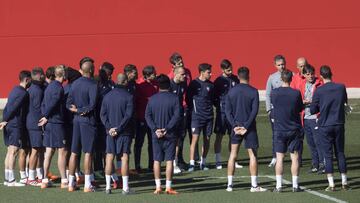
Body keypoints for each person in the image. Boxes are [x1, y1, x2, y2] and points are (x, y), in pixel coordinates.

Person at [225, 67, 267, 192]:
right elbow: (254, 111)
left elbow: (227, 111)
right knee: (253, 155)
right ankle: (254, 185)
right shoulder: (253, 91)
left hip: (236, 127)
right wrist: (246, 126)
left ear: (238, 76)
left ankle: (230, 185)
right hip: (250, 128)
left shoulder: (231, 92)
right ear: (249, 76)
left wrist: (235, 126)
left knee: (233, 155)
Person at [310, 65, 350, 191]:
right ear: (331, 74)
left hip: (325, 125)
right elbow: (345, 101)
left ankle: (331, 184)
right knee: (340, 153)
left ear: (321, 76)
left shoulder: (319, 90)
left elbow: (312, 109)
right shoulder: (341, 87)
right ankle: (344, 182)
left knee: (327, 155)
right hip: (338, 124)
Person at [66, 57, 98, 192]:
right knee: (88, 153)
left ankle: (71, 183)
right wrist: (80, 110)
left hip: (76, 121)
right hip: (87, 121)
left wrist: (75, 110)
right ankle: (87, 184)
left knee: (74, 152)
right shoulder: (93, 85)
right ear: (91, 70)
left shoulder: (75, 84)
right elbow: (92, 105)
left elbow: (68, 103)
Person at [145, 74, 181, 195]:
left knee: (157, 160)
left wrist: (156, 129)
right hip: (170, 134)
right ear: (169, 85)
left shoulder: (152, 99)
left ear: (158, 86)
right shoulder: (175, 98)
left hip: (156, 135)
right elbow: (177, 116)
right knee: (169, 160)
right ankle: (168, 187)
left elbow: (147, 116)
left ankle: (158, 187)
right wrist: (167, 129)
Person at [101, 73, 134, 195]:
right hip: (123, 132)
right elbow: (128, 115)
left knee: (109, 157)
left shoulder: (107, 96)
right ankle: (125, 188)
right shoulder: (128, 96)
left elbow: (102, 115)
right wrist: (118, 129)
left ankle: (108, 187)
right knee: (124, 157)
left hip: (110, 133)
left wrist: (110, 128)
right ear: (125, 82)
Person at [271, 70, 304, 193]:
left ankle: (279, 186)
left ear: (281, 78)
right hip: (293, 129)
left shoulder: (274, 93)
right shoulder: (295, 93)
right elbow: (300, 108)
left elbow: (275, 105)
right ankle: (295, 185)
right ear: (291, 79)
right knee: (294, 158)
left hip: (279, 129)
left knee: (279, 158)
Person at [38, 65, 68, 189]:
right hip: (56, 123)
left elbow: (44, 104)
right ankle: (64, 180)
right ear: (63, 74)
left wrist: (45, 116)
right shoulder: (58, 88)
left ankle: (44, 179)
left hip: (50, 123)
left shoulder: (49, 87)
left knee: (49, 151)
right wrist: (46, 115)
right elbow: (53, 103)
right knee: (62, 151)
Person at [1, 70, 31, 187]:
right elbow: (13, 108)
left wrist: (5, 120)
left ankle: (7, 179)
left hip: (9, 124)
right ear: (27, 80)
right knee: (13, 152)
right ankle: (12, 180)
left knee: (9, 152)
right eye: (30, 81)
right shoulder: (23, 93)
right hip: (14, 125)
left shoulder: (14, 89)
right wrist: (5, 120)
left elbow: (8, 106)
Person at [168, 52, 199, 163]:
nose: (182, 63)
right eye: (179, 62)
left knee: (192, 132)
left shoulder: (187, 72)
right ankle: (178, 159)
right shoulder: (171, 77)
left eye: (182, 61)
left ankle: (194, 158)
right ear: (173, 65)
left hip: (188, 105)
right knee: (180, 135)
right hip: (180, 108)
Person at [187, 63, 214, 171]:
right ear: (202, 72)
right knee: (195, 139)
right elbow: (188, 99)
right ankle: (192, 163)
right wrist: (194, 111)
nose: (211, 74)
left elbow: (212, 99)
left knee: (207, 139)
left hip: (209, 117)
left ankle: (203, 162)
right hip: (197, 117)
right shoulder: (194, 84)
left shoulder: (211, 85)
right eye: (208, 72)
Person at [213, 59, 239, 169]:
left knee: (233, 136)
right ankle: (218, 161)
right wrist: (219, 107)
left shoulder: (235, 79)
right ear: (222, 69)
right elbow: (213, 97)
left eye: (231, 69)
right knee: (219, 136)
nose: (230, 71)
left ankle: (233, 160)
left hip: (233, 113)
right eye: (228, 70)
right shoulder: (218, 81)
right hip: (222, 113)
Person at [134, 65, 158, 173]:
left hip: (153, 119)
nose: (156, 75)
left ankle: (151, 165)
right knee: (139, 142)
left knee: (152, 142)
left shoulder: (156, 84)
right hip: (141, 118)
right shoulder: (139, 84)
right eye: (154, 74)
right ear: (147, 75)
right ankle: (137, 165)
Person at [300, 65, 324, 173]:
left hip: (316, 116)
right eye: (308, 74)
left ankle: (322, 164)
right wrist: (302, 101)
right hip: (305, 116)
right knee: (310, 142)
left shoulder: (319, 84)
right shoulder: (302, 84)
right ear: (304, 75)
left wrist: (311, 102)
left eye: (312, 73)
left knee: (318, 141)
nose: (310, 76)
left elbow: (322, 99)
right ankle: (315, 164)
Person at [94, 62, 115, 180]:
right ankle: (97, 169)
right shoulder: (95, 84)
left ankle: (108, 169)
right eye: (108, 74)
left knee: (106, 146)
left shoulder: (111, 84)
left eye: (111, 74)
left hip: (107, 120)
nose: (110, 76)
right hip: (97, 120)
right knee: (97, 147)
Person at [265, 55, 286, 167]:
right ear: (275, 65)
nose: (281, 66)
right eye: (279, 65)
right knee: (276, 134)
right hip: (275, 111)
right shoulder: (272, 77)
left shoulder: (290, 75)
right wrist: (269, 109)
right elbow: (268, 94)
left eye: (283, 64)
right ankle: (275, 157)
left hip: (288, 111)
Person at [26, 67, 46, 186]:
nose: (44, 76)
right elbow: (39, 108)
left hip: (33, 122)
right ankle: (31, 177)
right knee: (35, 150)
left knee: (39, 149)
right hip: (35, 123)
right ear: (39, 76)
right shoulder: (37, 90)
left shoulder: (34, 88)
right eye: (42, 75)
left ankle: (38, 176)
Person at [169, 66, 187, 173]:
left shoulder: (183, 84)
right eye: (182, 74)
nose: (184, 76)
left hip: (180, 116)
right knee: (172, 140)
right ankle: (172, 163)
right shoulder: (170, 85)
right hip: (171, 118)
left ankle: (176, 162)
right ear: (175, 74)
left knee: (179, 140)